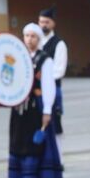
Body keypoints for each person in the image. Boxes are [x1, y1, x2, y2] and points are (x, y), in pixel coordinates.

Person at [8, 25, 61, 178]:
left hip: (36, 108)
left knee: (35, 145)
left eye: (33, 36)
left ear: (38, 39)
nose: (29, 39)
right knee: (20, 142)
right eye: (26, 35)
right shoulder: (18, 57)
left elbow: (48, 86)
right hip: (19, 108)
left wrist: (47, 110)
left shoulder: (44, 59)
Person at [37, 8, 69, 142]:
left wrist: (42, 77)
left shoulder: (59, 44)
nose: (43, 25)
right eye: (41, 22)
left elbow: (59, 70)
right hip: (37, 91)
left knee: (55, 125)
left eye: (47, 22)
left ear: (53, 24)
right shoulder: (36, 42)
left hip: (53, 90)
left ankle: (58, 158)